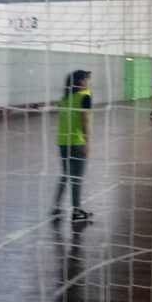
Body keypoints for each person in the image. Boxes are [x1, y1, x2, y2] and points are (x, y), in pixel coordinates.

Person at [53, 70, 93, 223]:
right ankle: (76, 211)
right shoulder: (85, 97)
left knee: (66, 175)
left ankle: (56, 206)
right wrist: (87, 142)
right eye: (86, 79)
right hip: (77, 142)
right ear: (80, 81)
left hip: (63, 143)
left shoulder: (64, 99)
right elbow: (85, 121)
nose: (88, 82)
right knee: (77, 178)